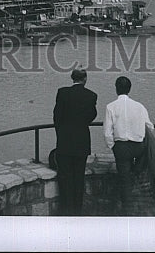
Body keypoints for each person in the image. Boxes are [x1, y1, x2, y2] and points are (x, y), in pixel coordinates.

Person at [103, 76, 154, 214]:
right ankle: (139, 201)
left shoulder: (110, 107)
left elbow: (107, 132)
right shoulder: (140, 106)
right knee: (136, 173)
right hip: (139, 147)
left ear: (116, 89)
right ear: (129, 89)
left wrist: (112, 146)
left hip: (122, 148)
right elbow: (150, 126)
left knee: (124, 178)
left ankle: (127, 210)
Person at [52, 67, 98, 214]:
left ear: (72, 78)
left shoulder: (62, 92)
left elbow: (57, 117)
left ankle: (65, 209)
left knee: (64, 177)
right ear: (85, 79)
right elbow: (92, 116)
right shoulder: (91, 95)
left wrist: (61, 133)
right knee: (79, 177)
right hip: (81, 142)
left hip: (64, 141)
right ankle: (77, 210)